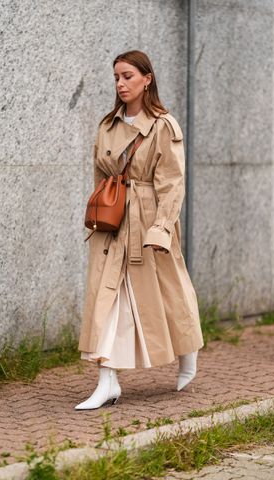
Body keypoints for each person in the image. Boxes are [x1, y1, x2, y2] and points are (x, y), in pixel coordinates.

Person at [75, 50, 204, 410]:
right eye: (116, 76)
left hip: (148, 221)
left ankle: (187, 348)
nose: (120, 83)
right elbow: (100, 176)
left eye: (128, 76)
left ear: (147, 78)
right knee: (107, 299)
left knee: (169, 291)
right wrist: (100, 212)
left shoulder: (164, 126)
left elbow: (172, 184)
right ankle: (107, 381)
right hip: (113, 225)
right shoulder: (107, 125)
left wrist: (162, 228)